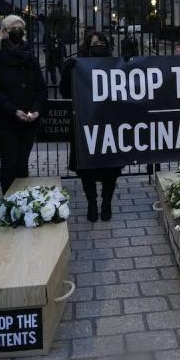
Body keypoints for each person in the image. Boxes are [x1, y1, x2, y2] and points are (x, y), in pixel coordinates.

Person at [61, 32, 123, 221]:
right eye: (95, 43)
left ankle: (106, 203)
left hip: (110, 125)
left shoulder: (115, 66)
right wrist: (67, 70)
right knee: (87, 169)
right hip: (85, 125)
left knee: (111, 169)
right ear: (87, 47)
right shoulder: (79, 67)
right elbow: (65, 93)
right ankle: (92, 204)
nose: (99, 46)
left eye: (102, 43)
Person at [0, 15, 46, 195]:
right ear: (4, 33)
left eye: (20, 29)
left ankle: (23, 202)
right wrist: (13, 110)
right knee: (9, 164)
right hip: (5, 122)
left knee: (22, 163)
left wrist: (36, 110)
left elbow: (41, 89)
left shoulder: (31, 58)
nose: (17, 32)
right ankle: (9, 201)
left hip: (28, 122)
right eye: (12, 29)